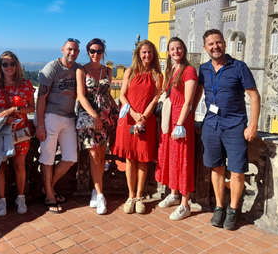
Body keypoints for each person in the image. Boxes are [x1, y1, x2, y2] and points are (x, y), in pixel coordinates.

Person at [194, 29, 261, 230]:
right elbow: (197, 95)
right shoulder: (204, 69)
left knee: (238, 171)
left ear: (224, 43)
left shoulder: (239, 67)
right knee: (216, 168)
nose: (215, 47)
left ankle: (233, 210)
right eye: (210, 44)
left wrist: (253, 125)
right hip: (211, 125)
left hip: (234, 125)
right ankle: (219, 207)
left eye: (218, 42)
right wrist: (188, 118)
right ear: (205, 48)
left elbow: (254, 96)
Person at [112, 40, 163, 214]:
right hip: (129, 120)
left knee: (142, 159)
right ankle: (130, 195)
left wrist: (143, 117)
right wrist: (134, 115)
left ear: (153, 54)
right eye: (144, 52)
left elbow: (155, 99)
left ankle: (140, 196)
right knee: (130, 159)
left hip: (145, 121)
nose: (147, 55)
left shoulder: (157, 74)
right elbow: (123, 96)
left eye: (150, 52)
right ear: (138, 54)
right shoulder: (131, 72)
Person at [0, 51, 35, 216]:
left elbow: (31, 108)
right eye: (4, 64)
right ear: (0, 67)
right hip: (2, 133)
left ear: (17, 65)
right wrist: (1, 119)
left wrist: (14, 109)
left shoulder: (26, 84)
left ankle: (20, 198)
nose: (9, 67)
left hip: (20, 132)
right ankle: (2, 201)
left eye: (12, 63)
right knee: (1, 167)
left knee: (19, 166)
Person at [35, 38, 80, 213]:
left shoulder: (77, 69)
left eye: (76, 50)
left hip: (69, 117)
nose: (72, 53)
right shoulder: (51, 68)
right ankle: (49, 196)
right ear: (62, 49)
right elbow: (41, 98)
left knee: (70, 158)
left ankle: (48, 187)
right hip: (51, 116)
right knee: (47, 156)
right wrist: (40, 125)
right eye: (69, 49)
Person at [155, 37, 198, 220]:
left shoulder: (189, 70)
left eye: (178, 48)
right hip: (169, 118)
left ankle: (184, 203)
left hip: (181, 119)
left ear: (184, 50)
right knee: (172, 158)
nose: (175, 52)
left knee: (183, 159)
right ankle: (173, 194)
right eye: (172, 49)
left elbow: (188, 100)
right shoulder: (170, 69)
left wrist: (180, 123)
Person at [76, 38, 118, 215]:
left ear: (103, 52)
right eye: (92, 51)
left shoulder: (107, 71)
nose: (96, 54)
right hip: (89, 116)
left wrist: (118, 111)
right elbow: (81, 95)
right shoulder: (82, 70)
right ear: (88, 52)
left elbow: (107, 94)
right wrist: (95, 116)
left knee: (101, 155)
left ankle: (96, 189)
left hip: (106, 116)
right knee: (94, 155)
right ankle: (101, 195)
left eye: (99, 51)